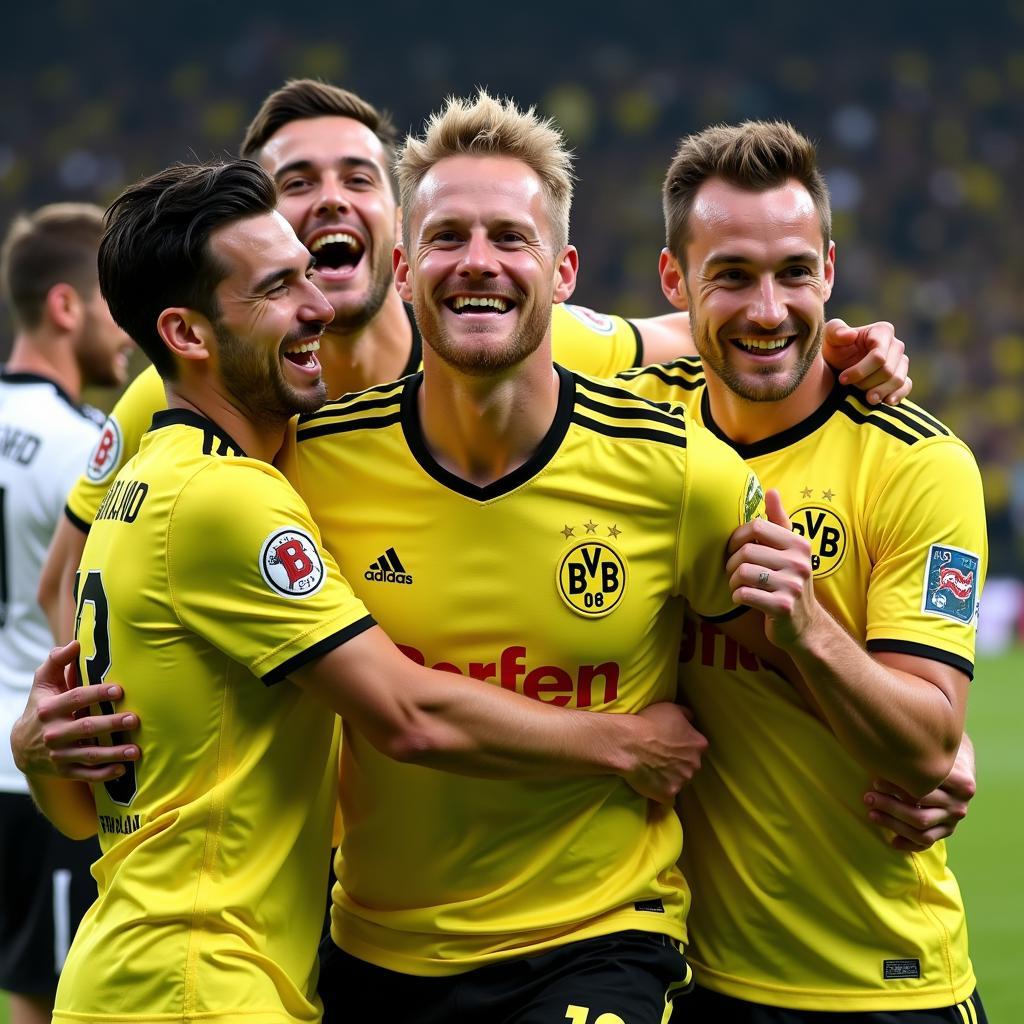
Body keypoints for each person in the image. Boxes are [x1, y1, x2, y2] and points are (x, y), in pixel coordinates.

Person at [11, 159, 705, 1024]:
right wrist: (628, 744)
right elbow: (405, 713)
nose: (319, 306)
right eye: (277, 288)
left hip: (155, 964)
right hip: (201, 983)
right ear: (187, 337)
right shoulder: (234, 498)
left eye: (308, 273)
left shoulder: (143, 484)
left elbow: (80, 814)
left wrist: (35, 752)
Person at [40, 79, 912, 643]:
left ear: (391, 222)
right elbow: (70, 584)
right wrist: (76, 720)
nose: (330, 197)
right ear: (265, 221)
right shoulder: (187, 388)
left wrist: (845, 346)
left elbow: (702, 327)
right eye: (296, 183)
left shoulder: (508, 341)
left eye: (356, 175)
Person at [271, 89, 794, 1024]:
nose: (479, 262)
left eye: (511, 238)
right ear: (402, 268)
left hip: (596, 941)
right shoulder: (306, 467)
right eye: (449, 238)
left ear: (563, 272)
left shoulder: (682, 474)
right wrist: (45, 735)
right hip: (374, 945)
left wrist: (924, 747)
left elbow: (779, 668)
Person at [617, 120, 988, 1022]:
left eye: (793, 273)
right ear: (676, 282)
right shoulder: (626, 425)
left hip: (882, 985)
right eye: (732, 276)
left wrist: (809, 626)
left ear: (829, 269)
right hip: (691, 981)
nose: (769, 308)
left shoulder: (918, 465)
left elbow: (930, 748)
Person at [0, 203, 132, 1024]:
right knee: (53, 998)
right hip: (40, 767)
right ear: (64, 306)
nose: (127, 334)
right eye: (112, 308)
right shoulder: (89, 447)